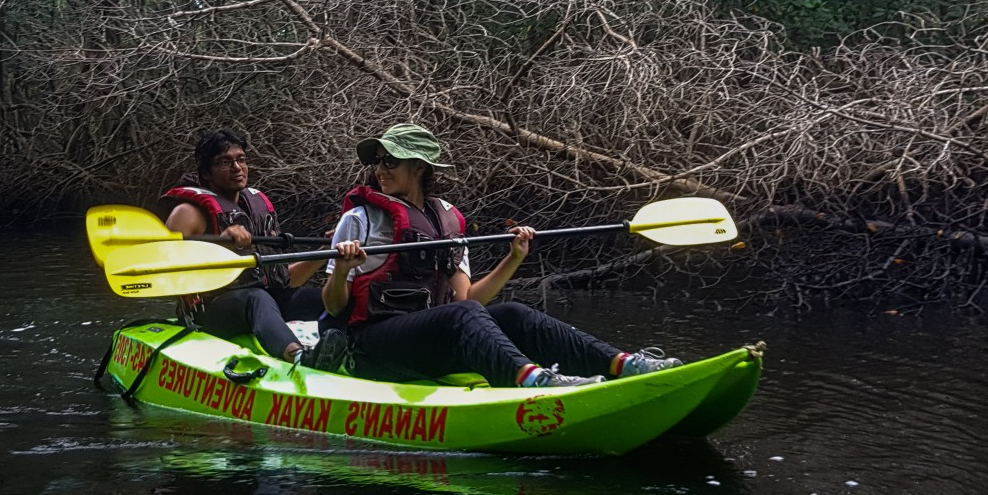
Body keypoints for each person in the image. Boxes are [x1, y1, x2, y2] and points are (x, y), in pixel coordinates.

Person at [320, 123, 682, 387]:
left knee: (513, 312)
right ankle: (533, 381)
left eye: (390, 161)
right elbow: (335, 308)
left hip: (425, 340)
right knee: (463, 316)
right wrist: (341, 272)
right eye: (378, 162)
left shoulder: (446, 220)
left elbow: (465, 299)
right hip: (372, 345)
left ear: (418, 167)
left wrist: (514, 258)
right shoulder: (359, 220)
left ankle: (623, 365)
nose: (380, 169)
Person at [162, 128, 324, 363]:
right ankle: (298, 357)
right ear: (207, 173)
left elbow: (286, 281)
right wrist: (221, 244)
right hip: (212, 314)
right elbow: (167, 270)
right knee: (256, 297)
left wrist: (327, 253)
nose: (237, 168)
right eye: (225, 162)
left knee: (323, 298)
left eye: (241, 159)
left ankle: (349, 349)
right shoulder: (188, 213)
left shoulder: (257, 206)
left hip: (264, 304)